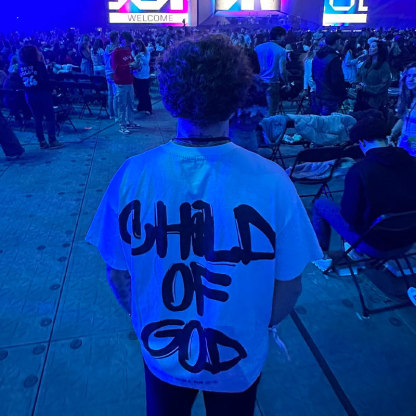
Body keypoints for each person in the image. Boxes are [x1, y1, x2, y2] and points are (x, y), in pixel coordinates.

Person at [86, 35, 322, 416]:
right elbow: (290, 285)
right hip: (238, 358)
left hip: (162, 354)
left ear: (170, 94)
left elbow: (117, 274)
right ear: (237, 94)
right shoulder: (273, 180)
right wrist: (254, 326)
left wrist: (145, 318)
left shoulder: (132, 175)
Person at [312, 114, 416, 270]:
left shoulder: (360, 170)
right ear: (385, 137)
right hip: (408, 241)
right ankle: (357, 252)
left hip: (376, 245)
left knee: (320, 204)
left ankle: (320, 255)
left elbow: (349, 217)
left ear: (361, 142)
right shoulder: (412, 162)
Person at [18, 45, 64, 149]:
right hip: (42, 93)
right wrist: (52, 90)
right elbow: (45, 80)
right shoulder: (39, 64)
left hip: (29, 94)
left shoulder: (21, 67)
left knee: (37, 118)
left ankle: (42, 141)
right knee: (49, 116)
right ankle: (52, 140)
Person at [254, 26, 289, 116]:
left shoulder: (258, 48)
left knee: (258, 112)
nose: (284, 38)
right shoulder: (281, 51)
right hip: (272, 83)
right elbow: (282, 71)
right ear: (279, 36)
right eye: (283, 36)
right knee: (271, 113)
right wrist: (286, 83)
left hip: (258, 83)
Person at [111, 31, 140, 134]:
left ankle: (130, 122)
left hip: (129, 81)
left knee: (130, 103)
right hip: (121, 82)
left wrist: (136, 65)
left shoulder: (128, 51)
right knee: (122, 105)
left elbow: (131, 62)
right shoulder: (116, 52)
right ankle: (122, 125)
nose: (129, 44)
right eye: (127, 41)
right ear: (122, 41)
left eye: (129, 42)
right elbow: (116, 68)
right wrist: (130, 66)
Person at [312, 32, 346, 115]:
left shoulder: (317, 56)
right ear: (337, 41)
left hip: (319, 93)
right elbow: (336, 80)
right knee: (329, 121)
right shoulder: (333, 58)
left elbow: (313, 75)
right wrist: (343, 93)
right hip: (330, 96)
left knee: (321, 120)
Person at [354, 40, 391, 113]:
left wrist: (366, 88)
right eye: (370, 46)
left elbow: (384, 85)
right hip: (361, 98)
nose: (370, 48)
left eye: (373, 47)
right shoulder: (366, 62)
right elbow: (359, 75)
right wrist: (357, 84)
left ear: (380, 49)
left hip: (375, 102)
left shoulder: (384, 66)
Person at [392, 62, 416, 157]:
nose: (410, 79)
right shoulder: (408, 97)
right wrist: (392, 134)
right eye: (408, 75)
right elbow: (403, 119)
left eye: (415, 76)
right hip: (404, 144)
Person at [132, 38, 152, 115]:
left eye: (139, 45)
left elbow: (146, 62)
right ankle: (140, 107)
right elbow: (133, 62)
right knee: (138, 93)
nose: (138, 47)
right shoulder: (133, 52)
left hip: (145, 75)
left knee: (145, 93)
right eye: (136, 46)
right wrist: (136, 58)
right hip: (137, 75)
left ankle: (148, 108)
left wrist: (141, 55)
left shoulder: (146, 52)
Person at [104, 31, 119, 121]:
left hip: (107, 72)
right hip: (114, 72)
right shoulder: (116, 49)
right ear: (116, 38)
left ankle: (111, 114)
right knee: (116, 94)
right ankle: (116, 116)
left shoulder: (107, 48)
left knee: (110, 94)